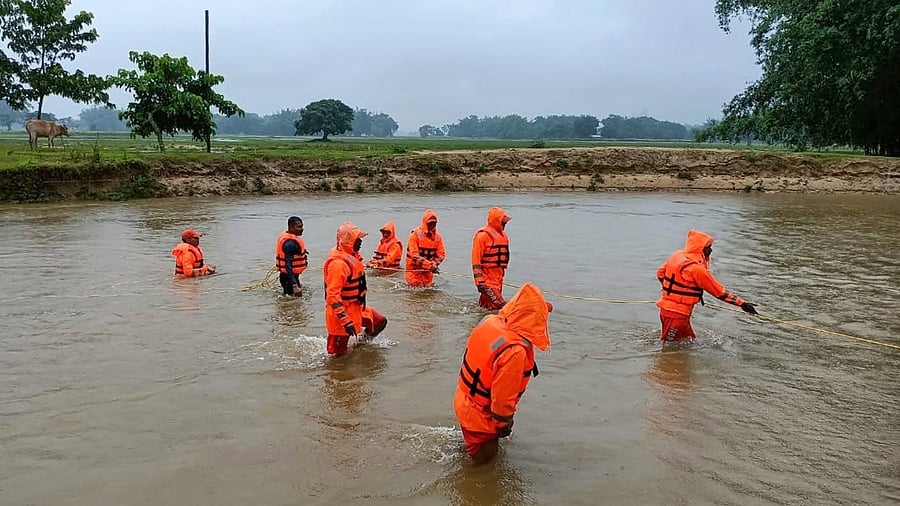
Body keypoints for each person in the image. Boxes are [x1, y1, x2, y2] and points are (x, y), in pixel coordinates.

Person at [454, 282, 553, 464]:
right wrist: (504, 424)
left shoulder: (491, 322)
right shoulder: (515, 352)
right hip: (481, 419)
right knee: (485, 467)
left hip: (464, 402)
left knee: (471, 452)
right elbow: (502, 399)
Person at [656, 229, 758, 342]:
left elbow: (660, 273)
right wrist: (742, 304)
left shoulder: (676, 256)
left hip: (670, 311)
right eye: (708, 247)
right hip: (676, 316)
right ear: (700, 249)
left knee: (689, 341)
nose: (711, 250)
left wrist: (669, 291)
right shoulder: (697, 269)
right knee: (669, 348)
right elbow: (718, 291)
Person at [324, 222, 387, 356]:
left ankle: (360, 345)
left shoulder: (351, 257)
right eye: (357, 239)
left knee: (380, 321)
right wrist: (345, 320)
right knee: (338, 357)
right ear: (348, 241)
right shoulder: (338, 265)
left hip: (356, 307)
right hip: (341, 315)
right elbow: (332, 296)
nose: (360, 242)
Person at [472, 207, 511, 310]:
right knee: (501, 306)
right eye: (503, 221)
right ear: (496, 221)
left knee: (486, 308)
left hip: (498, 278)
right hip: (487, 280)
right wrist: (479, 282)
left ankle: (479, 324)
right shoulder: (483, 236)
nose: (505, 224)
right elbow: (476, 260)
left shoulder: (504, 237)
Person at [405, 209, 446, 287]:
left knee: (427, 291)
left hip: (428, 272)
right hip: (413, 271)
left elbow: (441, 254)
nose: (432, 225)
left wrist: (434, 264)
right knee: (413, 291)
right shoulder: (415, 235)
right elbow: (414, 255)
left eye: (434, 223)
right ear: (425, 222)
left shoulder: (438, 237)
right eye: (430, 223)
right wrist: (430, 265)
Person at [275, 216, 309, 296]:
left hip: (289, 277)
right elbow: (288, 265)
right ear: (291, 227)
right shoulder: (289, 244)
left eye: (302, 226)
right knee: (294, 299)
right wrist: (295, 285)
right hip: (289, 278)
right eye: (299, 227)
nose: (302, 229)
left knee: (293, 303)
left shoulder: (291, 239)